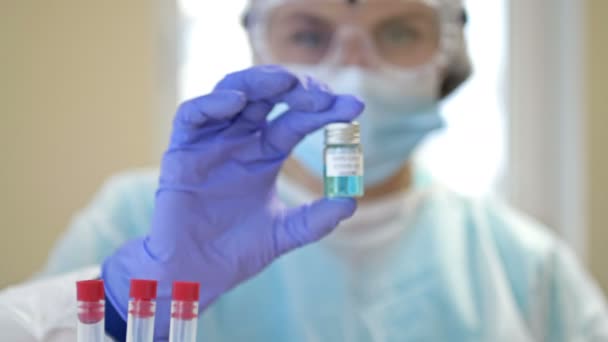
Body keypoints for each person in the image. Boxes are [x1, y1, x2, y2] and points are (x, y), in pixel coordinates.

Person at [1, 0, 607, 341]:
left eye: (397, 32)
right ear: (260, 51)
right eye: (308, 33)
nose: (353, 65)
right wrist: (115, 310)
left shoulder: (525, 267)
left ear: (449, 56)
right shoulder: (140, 220)